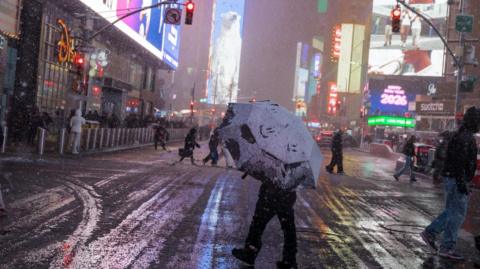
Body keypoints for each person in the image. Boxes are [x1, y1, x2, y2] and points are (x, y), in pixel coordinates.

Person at [420, 106, 480, 260]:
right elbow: (461, 162)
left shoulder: (460, 135)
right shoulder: (466, 138)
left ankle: (434, 235)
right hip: (457, 179)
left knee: (452, 211)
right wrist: (462, 182)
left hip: (453, 178)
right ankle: (445, 245)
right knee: (457, 213)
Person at [232, 176, 297, 269]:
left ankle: (250, 252)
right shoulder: (296, 165)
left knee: (257, 224)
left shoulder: (274, 163)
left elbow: (265, 173)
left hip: (270, 194)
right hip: (287, 195)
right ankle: (289, 261)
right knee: (288, 228)